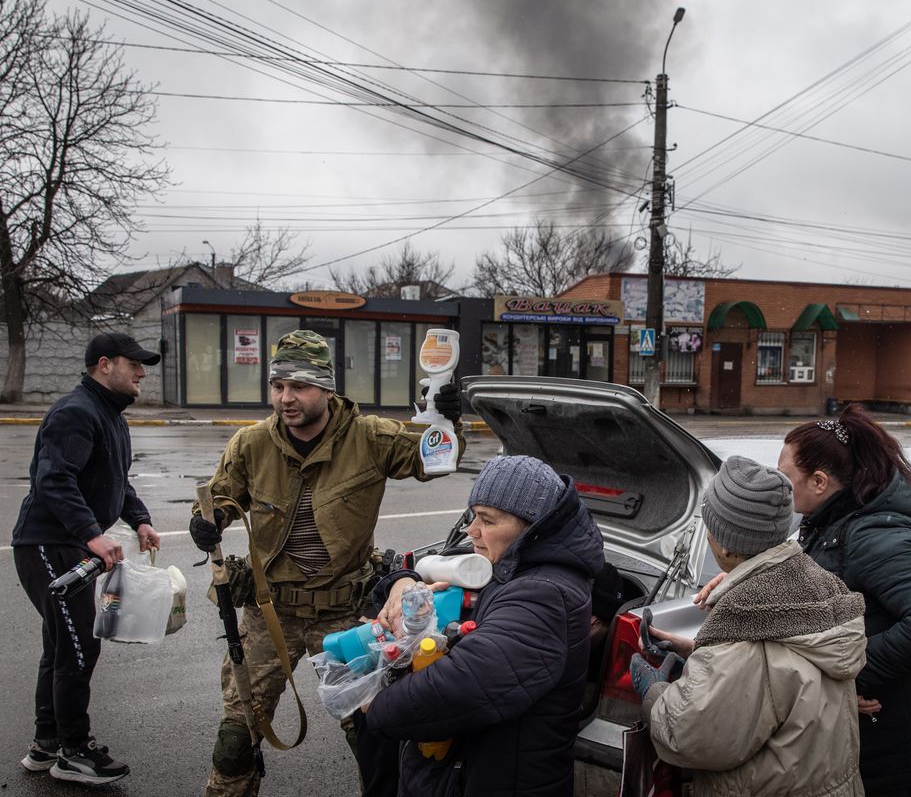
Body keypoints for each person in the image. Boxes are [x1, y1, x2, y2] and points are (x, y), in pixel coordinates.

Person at [187, 329, 464, 797]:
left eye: (299, 387)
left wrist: (444, 421)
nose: (285, 398)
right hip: (269, 613)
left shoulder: (370, 438)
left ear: (327, 389)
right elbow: (215, 501)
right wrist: (202, 522)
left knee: (375, 738)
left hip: (343, 614)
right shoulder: (251, 444)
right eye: (278, 386)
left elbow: (436, 460)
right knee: (235, 740)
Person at [364, 454, 605, 796]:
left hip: (498, 779)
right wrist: (403, 582)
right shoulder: (507, 563)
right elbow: (434, 565)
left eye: (487, 521)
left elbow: (464, 685)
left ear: (531, 527)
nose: (471, 530)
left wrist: (377, 706)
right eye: (473, 515)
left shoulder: (546, 595)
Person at [770, 406, 911, 796]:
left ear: (819, 481)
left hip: (907, 740)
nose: (782, 487)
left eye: (786, 477)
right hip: (882, 732)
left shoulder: (874, 532)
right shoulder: (827, 525)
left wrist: (851, 673)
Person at [631, 455, 868, 797]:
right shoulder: (811, 589)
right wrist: (697, 652)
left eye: (709, 524)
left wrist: (654, 693)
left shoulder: (743, 631)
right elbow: (772, 677)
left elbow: (689, 738)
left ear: (726, 542)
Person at [12, 332, 162, 785]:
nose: (141, 373)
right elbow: (53, 480)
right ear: (104, 364)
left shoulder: (109, 415)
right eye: (133, 364)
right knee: (80, 644)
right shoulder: (76, 412)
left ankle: (47, 745)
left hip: (66, 545)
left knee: (62, 644)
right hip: (47, 545)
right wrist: (93, 535)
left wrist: (139, 519)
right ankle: (74, 751)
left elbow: (116, 479)